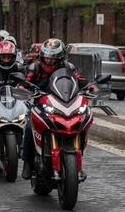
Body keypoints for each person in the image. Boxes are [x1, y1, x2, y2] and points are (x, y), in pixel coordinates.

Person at [21, 38, 94, 180]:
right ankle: (27, 162)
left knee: (81, 123)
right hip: (41, 104)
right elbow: (26, 82)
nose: (48, 61)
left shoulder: (68, 67)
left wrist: (89, 86)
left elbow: (79, 79)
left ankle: (77, 165)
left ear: (60, 58)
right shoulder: (34, 68)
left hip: (64, 103)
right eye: (46, 57)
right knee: (30, 127)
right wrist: (23, 88)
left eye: (52, 58)